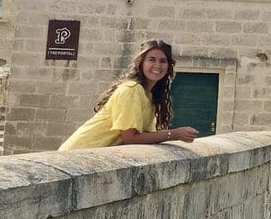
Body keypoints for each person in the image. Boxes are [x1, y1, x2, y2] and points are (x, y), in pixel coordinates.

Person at [59, 39, 199, 150]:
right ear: (141, 63)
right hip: (78, 153)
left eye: (163, 61)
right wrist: (174, 134)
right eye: (151, 59)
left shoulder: (148, 95)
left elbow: (143, 136)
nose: (157, 65)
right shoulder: (132, 89)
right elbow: (130, 137)